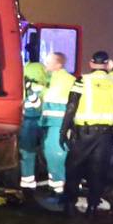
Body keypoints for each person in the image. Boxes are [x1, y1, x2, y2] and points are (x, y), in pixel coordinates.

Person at [61, 50, 113, 217]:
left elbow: (71, 107)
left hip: (83, 134)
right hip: (105, 136)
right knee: (98, 173)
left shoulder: (82, 81)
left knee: (73, 169)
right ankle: (92, 208)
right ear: (107, 64)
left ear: (91, 63)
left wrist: (63, 131)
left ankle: (69, 205)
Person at [40, 52, 75, 193]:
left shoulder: (64, 79)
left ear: (58, 64)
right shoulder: (54, 78)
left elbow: (49, 97)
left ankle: (59, 187)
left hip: (58, 123)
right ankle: (56, 183)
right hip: (52, 123)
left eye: (49, 61)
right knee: (51, 153)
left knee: (55, 153)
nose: (46, 64)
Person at [19, 62, 49, 189]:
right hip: (46, 122)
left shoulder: (23, 87)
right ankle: (54, 180)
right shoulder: (46, 87)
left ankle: (27, 183)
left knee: (27, 152)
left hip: (27, 122)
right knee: (48, 152)